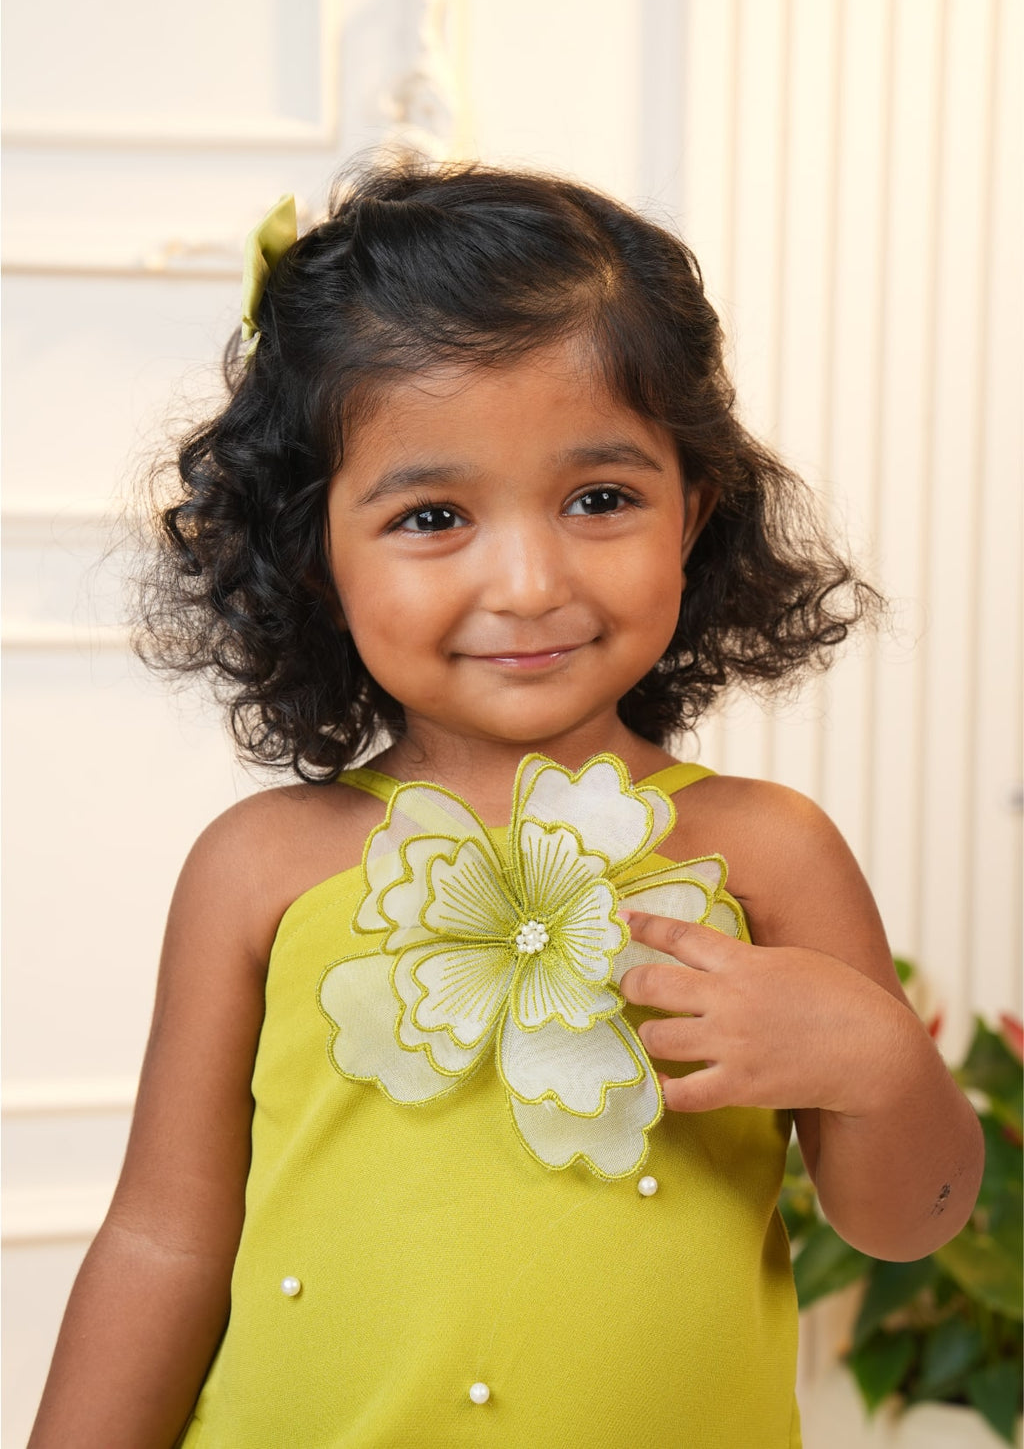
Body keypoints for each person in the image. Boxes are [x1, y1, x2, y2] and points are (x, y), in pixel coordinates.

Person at [29, 162, 983, 1449]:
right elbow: (159, 1239)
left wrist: (874, 1061)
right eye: (433, 515)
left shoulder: (766, 854)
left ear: (692, 513)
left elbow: (901, 1219)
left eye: (600, 499)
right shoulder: (259, 871)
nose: (529, 580)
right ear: (316, 557)